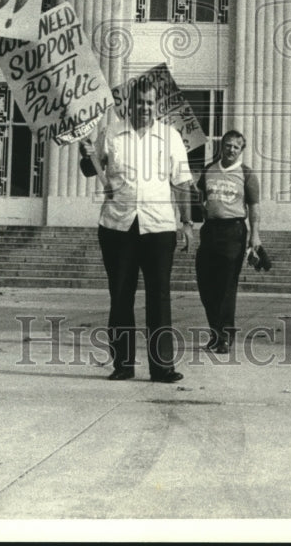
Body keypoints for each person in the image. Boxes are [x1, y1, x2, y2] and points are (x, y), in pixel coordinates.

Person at [79, 75, 195, 383]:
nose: (144, 107)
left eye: (149, 102)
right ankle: (123, 365)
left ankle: (162, 367)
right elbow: (91, 168)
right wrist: (85, 153)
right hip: (118, 225)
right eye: (139, 102)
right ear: (128, 104)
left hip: (158, 227)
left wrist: (187, 223)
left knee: (159, 297)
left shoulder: (170, 136)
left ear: (157, 105)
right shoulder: (111, 133)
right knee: (120, 296)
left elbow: (182, 182)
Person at [195, 131, 261, 354]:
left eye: (236, 147)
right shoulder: (209, 169)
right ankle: (215, 332)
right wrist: (201, 209)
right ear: (221, 146)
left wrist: (255, 235)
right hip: (211, 230)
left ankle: (224, 336)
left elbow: (254, 207)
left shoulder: (246, 173)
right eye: (228, 145)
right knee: (206, 284)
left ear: (241, 150)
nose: (231, 150)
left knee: (225, 285)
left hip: (233, 231)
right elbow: (199, 195)